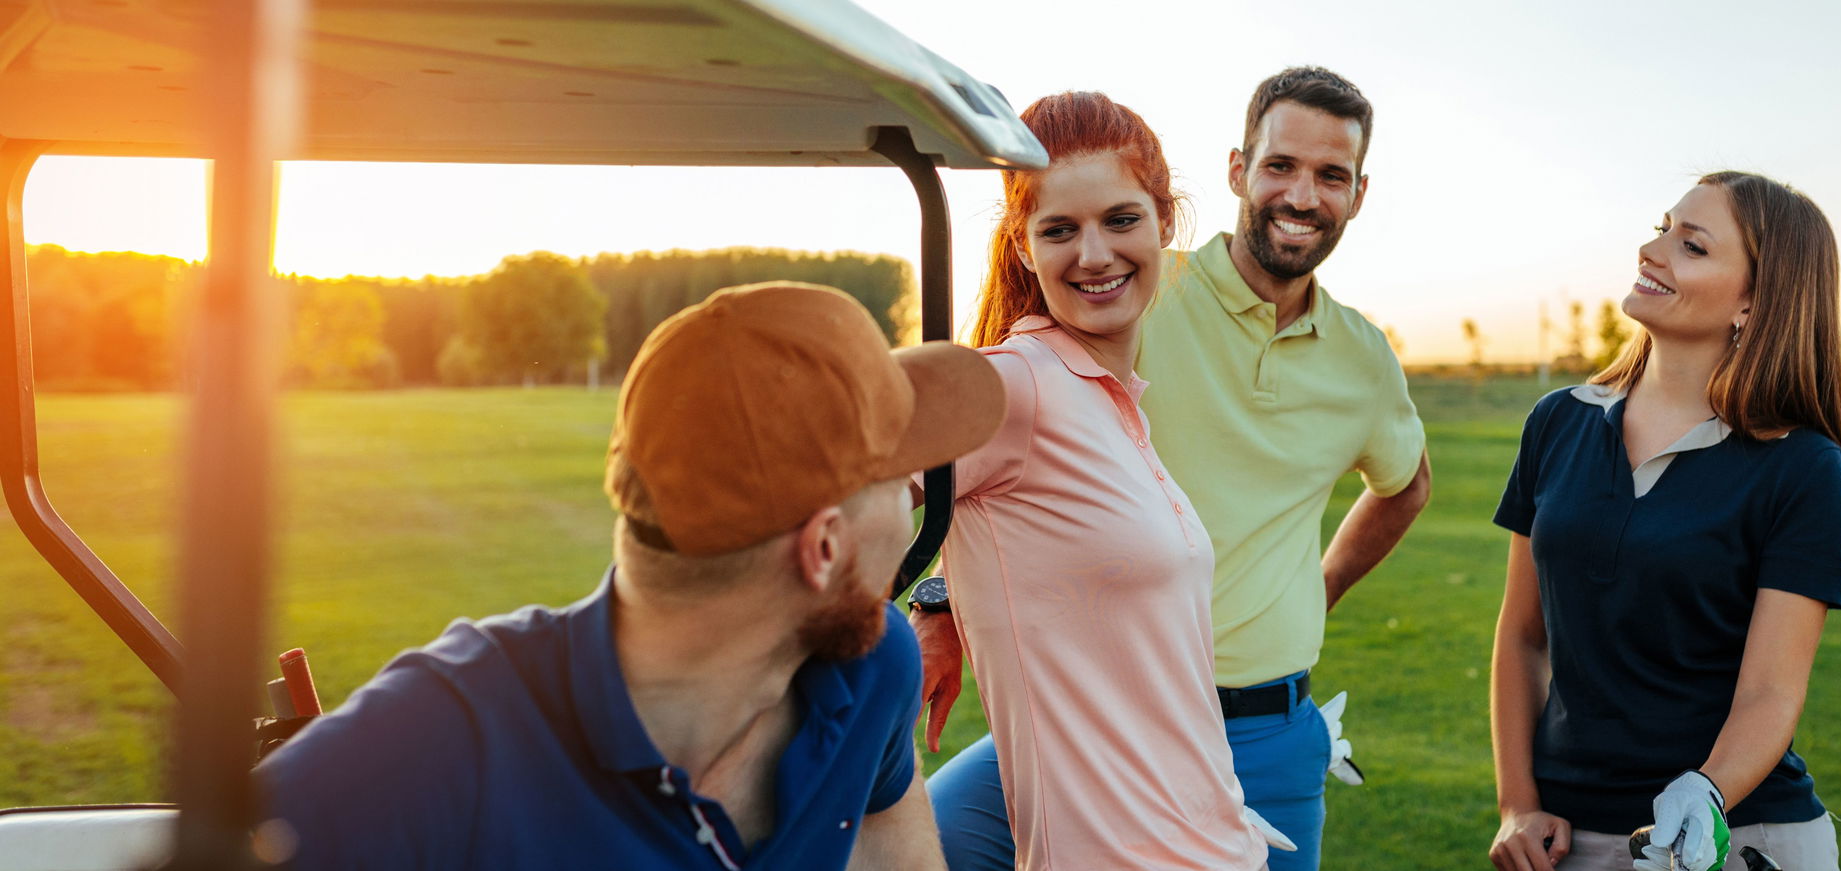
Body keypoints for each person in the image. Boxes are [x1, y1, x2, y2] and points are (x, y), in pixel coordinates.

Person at [258, 282, 1007, 871]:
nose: (917, 494)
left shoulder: (872, 671)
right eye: (898, 479)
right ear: (823, 549)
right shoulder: (437, 742)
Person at [923, 68, 1431, 870]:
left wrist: (1314, 590)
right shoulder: (1129, 289)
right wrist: (938, 600)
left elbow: (1407, 487)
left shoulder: (1365, 358)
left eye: (1330, 175)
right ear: (1237, 170)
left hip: (1266, 729)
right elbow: (988, 456)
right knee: (921, 839)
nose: (1302, 195)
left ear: (1358, 193)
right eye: (1280, 166)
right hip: (1103, 718)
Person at [918, 90, 1279, 870]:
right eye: (1058, 230)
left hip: (1217, 844)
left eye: (1120, 220)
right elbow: (833, 461)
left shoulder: (1115, 403)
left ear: (1164, 222)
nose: (1093, 254)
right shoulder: (1016, 383)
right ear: (1022, 246)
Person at [1485, 172, 1841, 871]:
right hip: (1565, 837)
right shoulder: (1556, 422)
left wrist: (1705, 791)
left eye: (1691, 245)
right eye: (1662, 227)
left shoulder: (1801, 465)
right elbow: (1523, 635)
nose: (1651, 249)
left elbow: (1772, 690)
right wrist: (1518, 801)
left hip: (1738, 834)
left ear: (1753, 299)